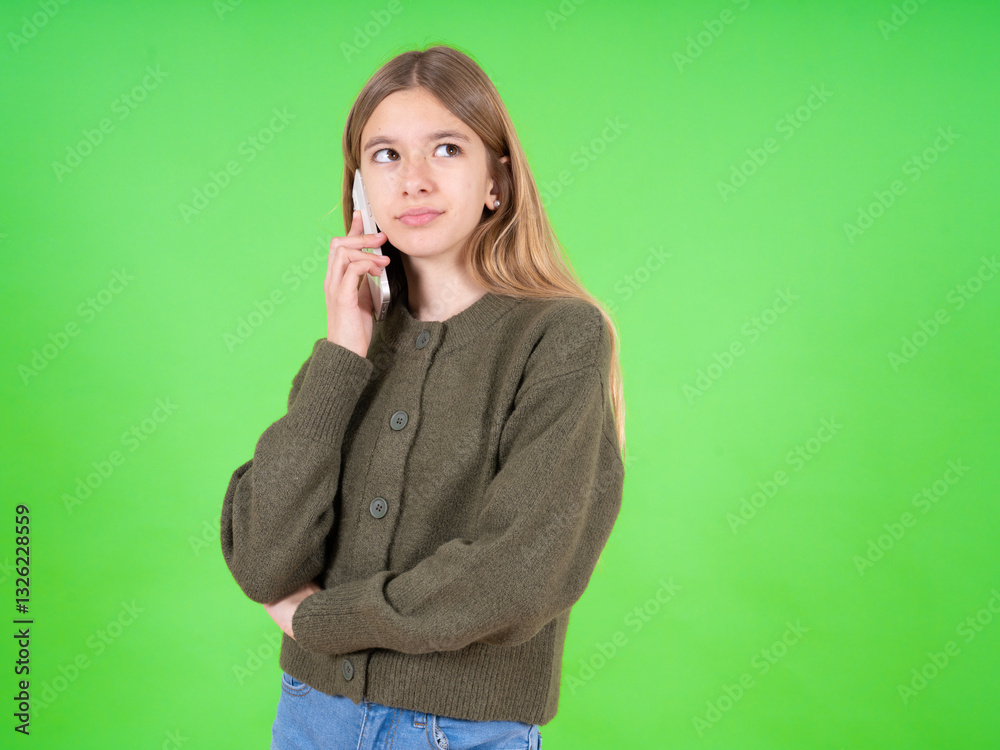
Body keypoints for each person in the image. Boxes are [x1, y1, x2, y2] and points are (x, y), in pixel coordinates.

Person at [220, 44, 626, 750]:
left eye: (445, 148)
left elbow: (518, 573)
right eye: (384, 156)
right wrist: (343, 348)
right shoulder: (353, 349)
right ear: (358, 193)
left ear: (496, 181)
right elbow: (262, 561)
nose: (413, 181)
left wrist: (321, 621)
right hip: (310, 715)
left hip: (458, 733)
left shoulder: (561, 337)